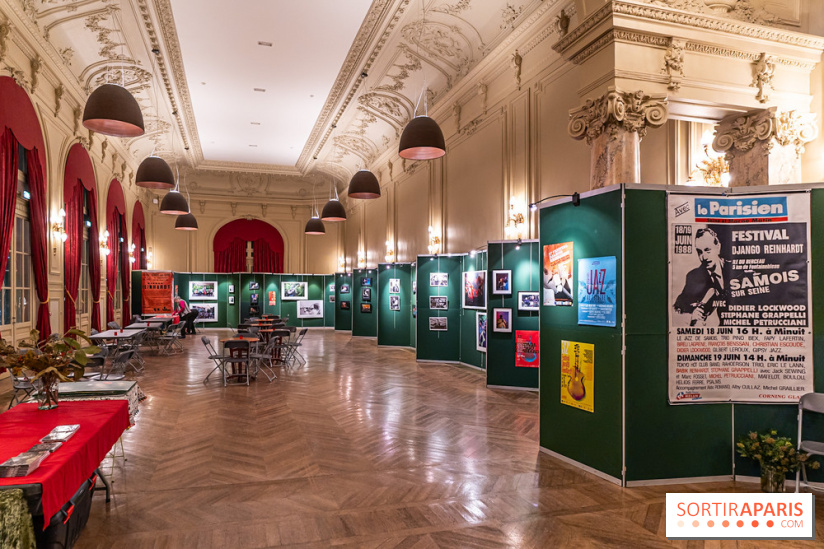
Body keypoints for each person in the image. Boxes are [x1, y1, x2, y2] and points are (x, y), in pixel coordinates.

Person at [673, 227, 728, 326]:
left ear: (718, 247)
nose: (704, 257)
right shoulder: (693, 276)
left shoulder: (735, 270)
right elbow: (679, 306)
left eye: (708, 250)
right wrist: (691, 314)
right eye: (700, 252)